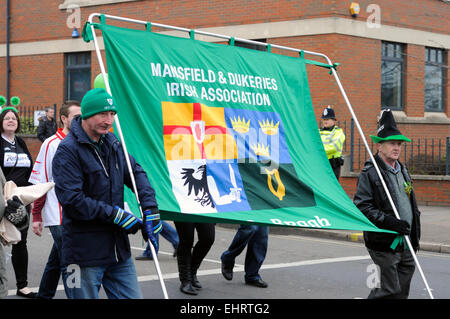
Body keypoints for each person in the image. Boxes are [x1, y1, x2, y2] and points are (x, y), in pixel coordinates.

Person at [52, 88, 161, 299]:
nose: (109, 119)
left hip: (118, 252)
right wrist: (116, 215)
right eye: (103, 114)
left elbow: (136, 173)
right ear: (86, 115)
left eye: (112, 114)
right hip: (83, 255)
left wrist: (150, 207)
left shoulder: (113, 144)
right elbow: (72, 200)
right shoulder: (68, 150)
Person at [353, 109, 421, 299]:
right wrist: (391, 222)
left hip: (406, 242)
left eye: (399, 144)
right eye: (392, 143)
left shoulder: (402, 169)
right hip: (384, 243)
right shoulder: (370, 173)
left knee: (402, 291)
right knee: (387, 289)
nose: (397, 147)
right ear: (379, 146)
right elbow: (363, 207)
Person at [29, 100, 81, 299]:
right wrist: (36, 215)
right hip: (58, 215)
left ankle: (44, 296)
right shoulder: (50, 144)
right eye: (76, 117)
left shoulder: (83, 140)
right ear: (63, 118)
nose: (80, 120)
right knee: (71, 262)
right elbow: (41, 183)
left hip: (79, 213)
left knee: (56, 261)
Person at [0, 106, 35, 298]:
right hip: (2, 199)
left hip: (21, 200)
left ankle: (23, 285)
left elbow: (29, 168)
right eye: (7, 118)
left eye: (14, 118)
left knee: (21, 241)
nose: (11, 120)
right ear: (1, 123)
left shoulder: (21, 142)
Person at [174, 221, 215, 295]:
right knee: (186, 241)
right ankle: (185, 279)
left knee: (208, 238)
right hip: (184, 211)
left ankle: (192, 272)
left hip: (204, 210)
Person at [319, 106, 346, 180]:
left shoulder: (338, 132)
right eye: (324, 119)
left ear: (333, 120)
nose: (325, 121)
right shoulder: (318, 132)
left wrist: (319, 150)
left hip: (332, 165)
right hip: (320, 164)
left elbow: (333, 147)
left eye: (327, 119)